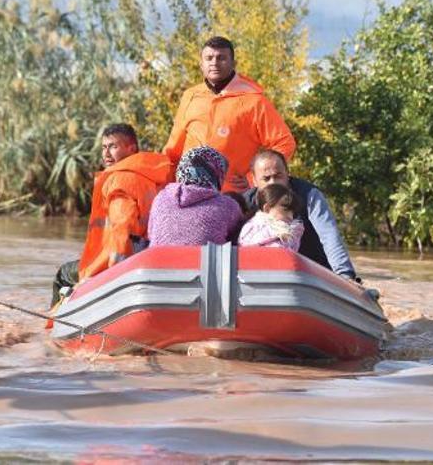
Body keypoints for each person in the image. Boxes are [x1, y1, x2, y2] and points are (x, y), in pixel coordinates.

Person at [51, 124, 174, 307]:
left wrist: (97, 276)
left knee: (63, 274)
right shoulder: (155, 177)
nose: (106, 154)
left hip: (119, 259)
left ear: (131, 148)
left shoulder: (120, 180)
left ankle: (56, 331)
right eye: (104, 147)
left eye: (113, 146)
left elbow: (122, 232)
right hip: (149, 254)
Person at [162, 36, 296, 193]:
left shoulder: (254, 101)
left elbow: (284, 143)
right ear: (201, 64)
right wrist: (165, 185)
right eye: (209, 58)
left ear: (234, 63)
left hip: (233, 197)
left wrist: (255, 178)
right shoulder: (190, 96)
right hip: (188, 193)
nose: (214, 63)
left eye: (221, 58)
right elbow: (173, 149)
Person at [244, 149, 360, 281]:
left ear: (288, 174)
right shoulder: (245, 204)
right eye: (266, 178)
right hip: (262, 275)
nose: (273, 183)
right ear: (254, 180)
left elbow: (329, 235)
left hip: (314, 271)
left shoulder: (309, 195)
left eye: (278, 176)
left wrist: (345, 275)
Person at [148, 146, 243, 247]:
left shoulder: (161, 198)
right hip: (204, 262)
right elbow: (241, 239)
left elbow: (151, 234)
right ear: (216, 174)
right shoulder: (228, 206)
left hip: (157, 261)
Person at [238, 183, 305, 250]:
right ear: (267, 208)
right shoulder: (253, 228)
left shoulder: (292, 231)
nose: (290, 216)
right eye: (285, 210)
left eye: (292, 212)